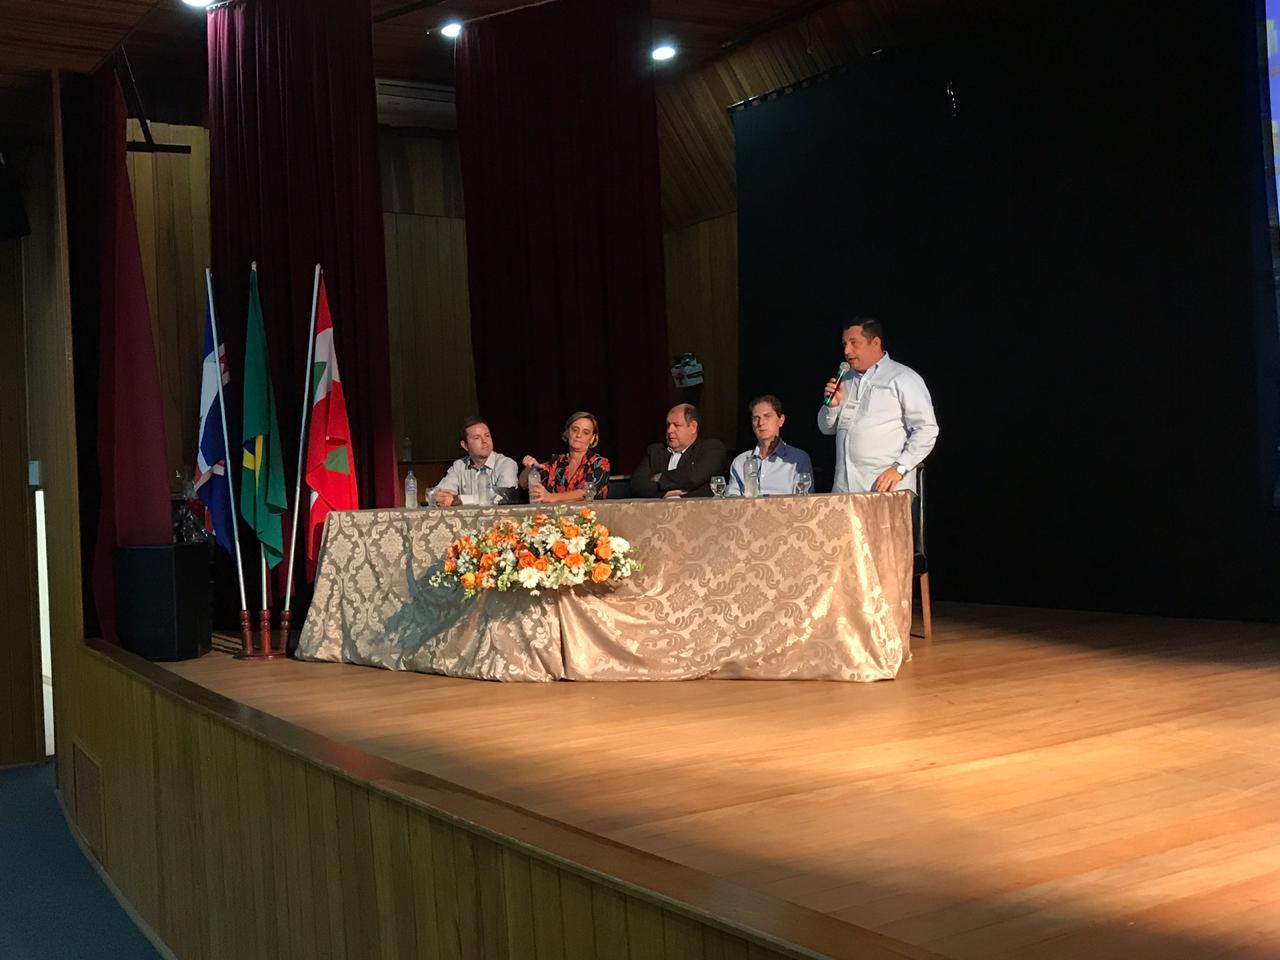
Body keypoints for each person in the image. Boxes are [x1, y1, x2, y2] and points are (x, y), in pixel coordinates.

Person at [818, 317, 938, 494]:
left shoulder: (903, 377)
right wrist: (832, 406)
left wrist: (900, 468)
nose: (847, 350)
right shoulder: (845, 380)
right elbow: (826, 429)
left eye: (854, 343)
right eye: (844, 344)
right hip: (845, 490)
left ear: (875, 343)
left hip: (886, 491)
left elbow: (927, 429)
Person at [630, 403, 726, 499]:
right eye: (668, 425)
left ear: (693, 427)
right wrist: (663, 494)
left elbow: (693, 477)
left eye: (676, 425)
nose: (669, 430)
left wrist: (659, 477)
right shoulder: (656, 451)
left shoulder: (711, 448)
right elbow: (636, 485)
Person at [727, 395, 813, 497]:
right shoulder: (740, 461)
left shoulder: (797, 459)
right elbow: (731, 501)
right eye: (756, 418)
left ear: (781, 420)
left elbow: (804, 501)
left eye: (767, 416)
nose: (761, 423)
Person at [520, 411, 610, 503]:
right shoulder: (556, 463)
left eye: (585, 432)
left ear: (592, 438)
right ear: (567, 432)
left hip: (589, 512)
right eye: (575, 430)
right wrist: (530, 468)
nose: (579, 435)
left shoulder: (600, 463)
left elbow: (586, 492)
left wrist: (551, 497)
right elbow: (524, 484)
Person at [433, 417, 519, 506]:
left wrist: (460, 500)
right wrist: (441, 497)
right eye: (477, 438)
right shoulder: (459, 466)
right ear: (465, 445)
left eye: (487, 435)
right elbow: (440, 493)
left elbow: (505, 496)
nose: (484, 441)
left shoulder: (506, 464)